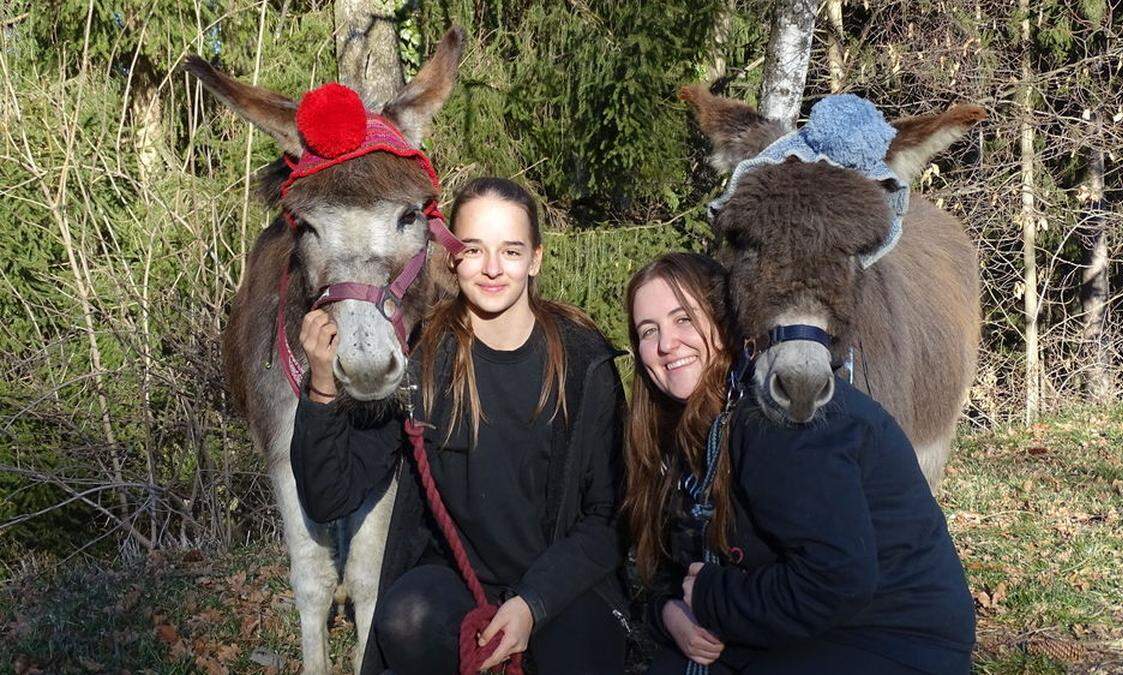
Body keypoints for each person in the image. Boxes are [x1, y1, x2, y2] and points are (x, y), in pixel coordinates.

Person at [291, 177, 629, 674]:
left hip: (561, 578)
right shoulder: (423, 359)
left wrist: (531, 604)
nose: (493, 268)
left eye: (511, 251)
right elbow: (330, 496)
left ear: (535, 258)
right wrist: (322, 389)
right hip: (457, 577)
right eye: (474, 250)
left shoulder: (583, 361)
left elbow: (606, 517)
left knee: (577, 650)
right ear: (451, 258)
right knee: (405, 619)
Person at [624, 252, 975, 674]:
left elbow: (835, 580)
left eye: (684, 320)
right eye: (649, 330)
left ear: (727, 320)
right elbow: (679, 560)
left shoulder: (782, 412)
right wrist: (670, 613)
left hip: (887, 641)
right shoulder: (691, 426)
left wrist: (712, 598)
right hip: (800, 630)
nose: (666, 344)